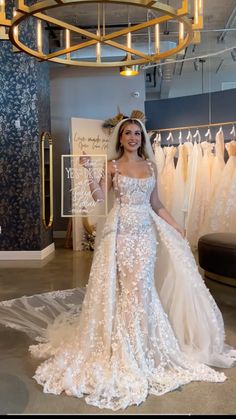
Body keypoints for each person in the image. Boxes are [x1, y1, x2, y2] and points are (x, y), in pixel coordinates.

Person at [0, 118, 235, 411]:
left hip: (146, 233)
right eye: (128, 134)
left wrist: (175, 225)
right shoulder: (111, 166)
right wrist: (88, 171)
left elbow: (157, 203)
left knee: (142, 288)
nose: (133, 138)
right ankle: (124, 346)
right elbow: (100, 197)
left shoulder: (151, 167)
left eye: (138, 133)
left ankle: (143, 344)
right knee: (129, 288)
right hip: (121, 232)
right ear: (120, 138)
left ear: (142, 138)